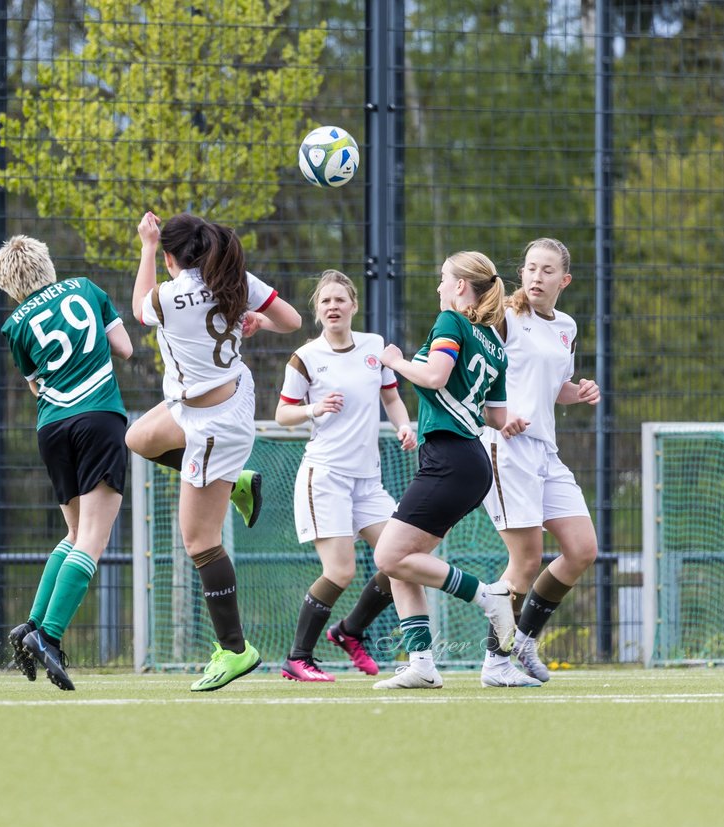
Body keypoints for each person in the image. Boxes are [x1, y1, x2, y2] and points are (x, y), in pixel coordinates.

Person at [126, 210, 302, 691]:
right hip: (225, 397)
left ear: (170, 257)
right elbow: (293, 320)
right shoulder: (233, 277)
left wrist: (144, 246)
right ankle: (236, 482)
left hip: (211, 426)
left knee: (199, 542)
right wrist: (259, 320)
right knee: (138, 438)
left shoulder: (168, 294)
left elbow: (141, 306)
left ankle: (235, 649)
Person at [369, 251, 526, 690]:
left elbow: (435, 376)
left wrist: (396, 361)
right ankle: (421, 663)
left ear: (461, 286)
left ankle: (487, 596)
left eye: (443, 278)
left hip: (451, 458)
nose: (439, 286)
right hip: (466, 460)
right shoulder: (495, 343)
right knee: (404, 564)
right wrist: (510, 419)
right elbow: (497, 416)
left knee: (388, 556)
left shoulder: (452, 323)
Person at [0, 235, 134, 691]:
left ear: (10, 284)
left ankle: (31, 624)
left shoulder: (14, 324)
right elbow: (125, 348)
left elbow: (36, 386)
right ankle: (49, 637)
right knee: (93, 538)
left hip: (51, 428)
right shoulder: (87, 289)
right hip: (99, 417)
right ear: (46, 263)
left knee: (74, 534)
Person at [273, 270, 417, 682]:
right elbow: (283, 414)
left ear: (353, 305)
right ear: (317, 312)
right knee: (340, 572)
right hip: (326, 478)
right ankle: (298, 658)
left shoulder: (373, 347)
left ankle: (350, 631)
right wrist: (313, 410)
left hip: (367, 482)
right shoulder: (306, 357)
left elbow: (391, 396)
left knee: (402, 560)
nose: (333, 306)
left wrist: (404, 425)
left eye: (340, 299)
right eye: (325, 302)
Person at [478, 238, 600, 687]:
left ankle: (524, 638)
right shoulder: (505, 318)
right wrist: (499, 415)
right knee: (525, 560)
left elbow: (556, 387)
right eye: (530, 268)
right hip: (505, 448)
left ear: (564, 280)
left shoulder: (565, 325)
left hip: (546, 451)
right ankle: (495, 663)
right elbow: (475, 373)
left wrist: (579, 391)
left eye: (547, 271)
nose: (536, 277)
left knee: (582, 549)